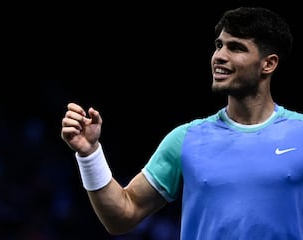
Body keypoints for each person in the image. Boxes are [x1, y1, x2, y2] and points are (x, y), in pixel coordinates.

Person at [61, 7, 303, 239]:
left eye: (236, 48)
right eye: (219, 46)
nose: (220, 56)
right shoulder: (186, 139)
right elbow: (123, 215)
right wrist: (90, 154)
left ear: (268, 64)